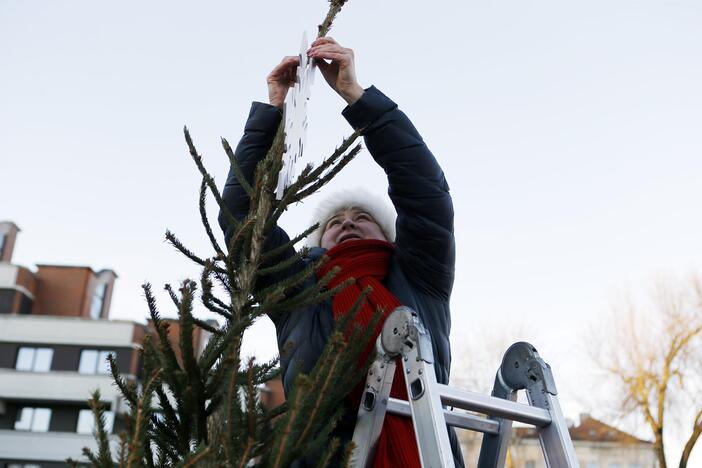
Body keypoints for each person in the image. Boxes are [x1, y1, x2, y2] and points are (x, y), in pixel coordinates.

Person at [220, 37, 464, 467]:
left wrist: (357, 97)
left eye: (361, 217)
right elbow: (241, 220)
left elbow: (424, 191)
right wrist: (273, 111)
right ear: (318, 243)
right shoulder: (298, 290)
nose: (348, 222)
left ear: (390, 237)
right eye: (335, 222)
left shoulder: (420, 276)